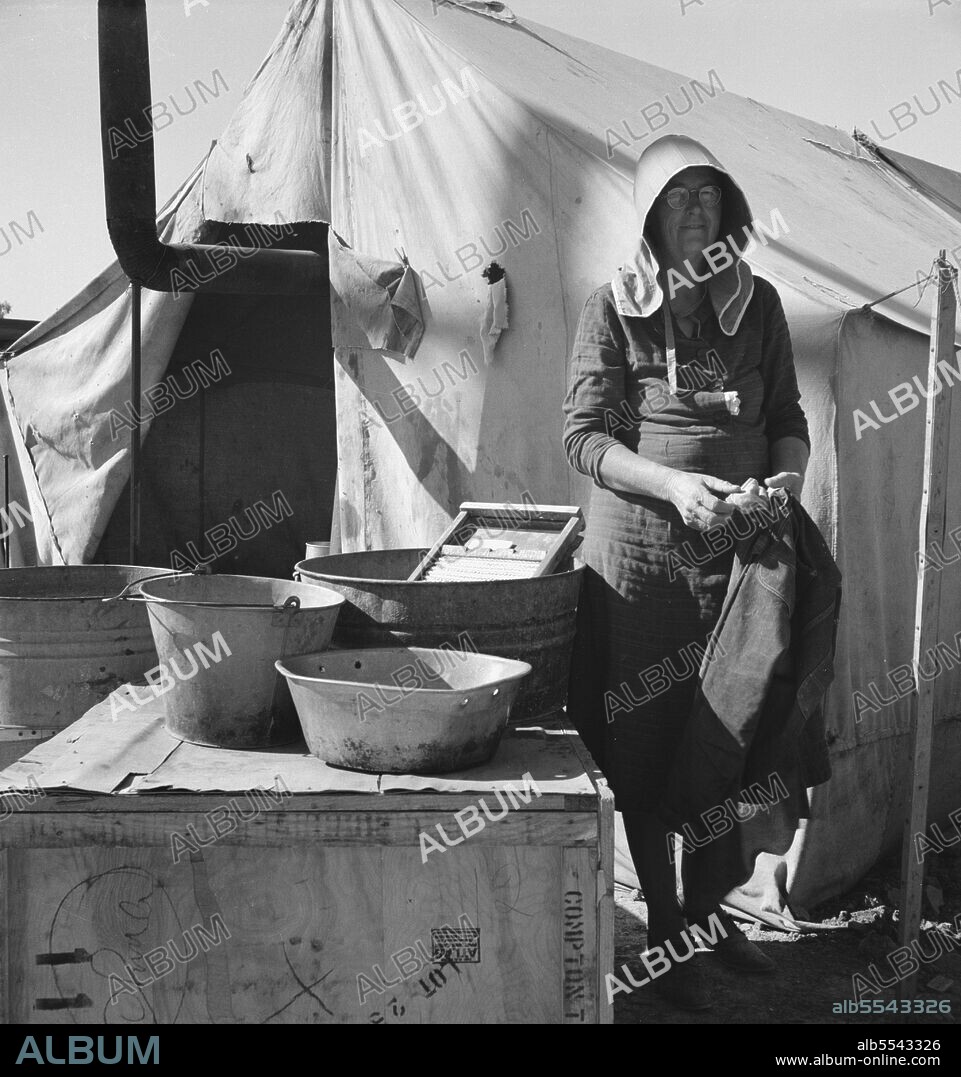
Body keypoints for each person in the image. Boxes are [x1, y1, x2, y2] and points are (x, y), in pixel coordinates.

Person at [563, 134, 811, 1011]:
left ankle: (709, 914)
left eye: (708, 196)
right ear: (649, 215)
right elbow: (585, 438)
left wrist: (781, 482)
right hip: (641, 565)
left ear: (728, 212)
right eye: (677, 198)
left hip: (737, 561)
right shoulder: (612, 307)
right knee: (645, 741)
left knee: (731, 732)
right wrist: (673, 484)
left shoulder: (762, 306)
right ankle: (665, 929)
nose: (695, 211)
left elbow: (787, 418)